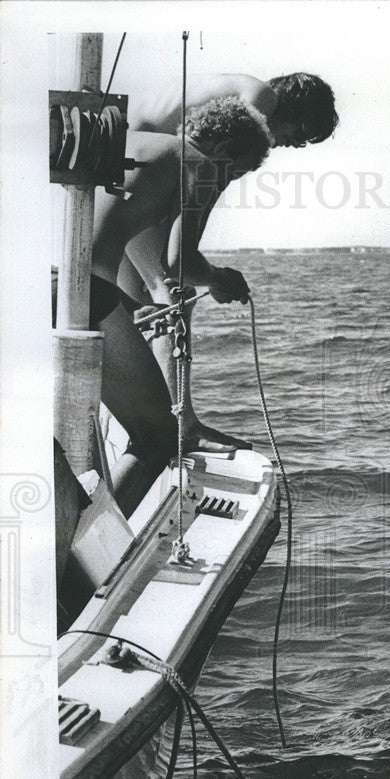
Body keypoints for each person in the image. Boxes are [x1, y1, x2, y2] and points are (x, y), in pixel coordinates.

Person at [53, 97, 271, 516]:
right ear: (225, 151)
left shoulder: (134, 143)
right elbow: (180, 262)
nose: (227, 181)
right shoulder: (201, 164)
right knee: (157, 438)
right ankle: (83, 555)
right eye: (236, 172)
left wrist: (137, 304)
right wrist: (220, 279)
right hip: (87, 292)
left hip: (46, 282)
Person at [128, 71, 339, 148]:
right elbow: (216, 167)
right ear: (294, 109)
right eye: (300, 134)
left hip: (130, 133)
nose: (296, 145)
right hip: (136, 140)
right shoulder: (262, 98)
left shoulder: (245, 86)